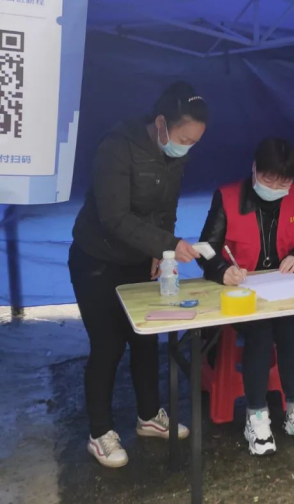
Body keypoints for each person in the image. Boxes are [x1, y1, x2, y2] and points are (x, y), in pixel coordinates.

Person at [69, 82, 208, 468]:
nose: (186, 148)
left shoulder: (173, 156)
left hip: (138, 258)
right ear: (161, 123)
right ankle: (100, 433)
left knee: (145, 339)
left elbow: (167, 208)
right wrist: (168, 243)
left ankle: (149, 417)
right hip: (97, 259)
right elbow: (113, 217)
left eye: (194, 142)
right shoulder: (117, 146)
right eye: (184, 139)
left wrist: (161, 252)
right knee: (108, 344)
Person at [198, 138, 294, 457]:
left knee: (293, 330)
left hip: (281, 291)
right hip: (243, 292)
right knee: (261, 332)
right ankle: (256, 416)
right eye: (269, 179)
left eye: (284, 182)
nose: (277, 187)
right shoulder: (227, 197)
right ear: (254, 169)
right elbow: (206, 249)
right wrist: (223, 269)